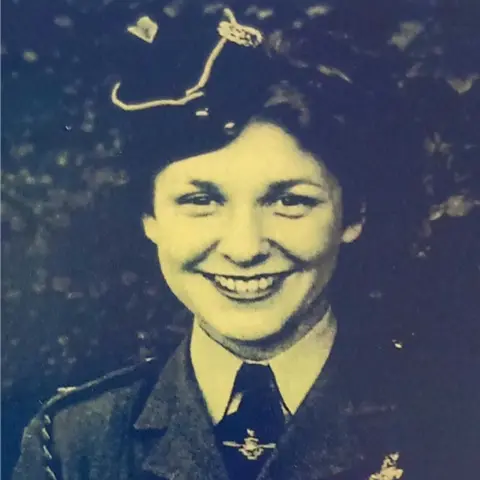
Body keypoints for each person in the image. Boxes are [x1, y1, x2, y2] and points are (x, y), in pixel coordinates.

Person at [12, 6, 423, 480]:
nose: (244, 247)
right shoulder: (76, 441)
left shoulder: (445, 411)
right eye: (201, 200)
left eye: (289, 200)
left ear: (353, 216)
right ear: (150, 217)